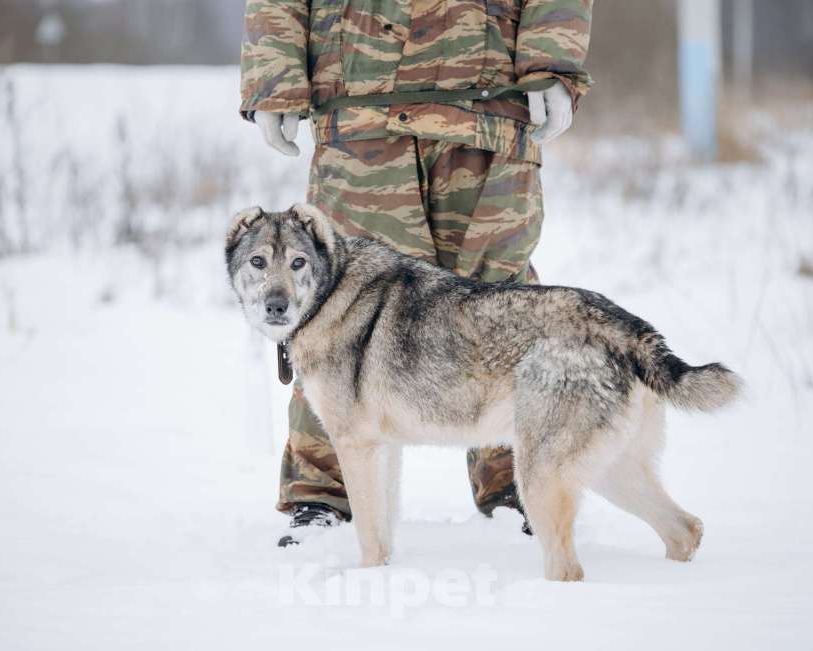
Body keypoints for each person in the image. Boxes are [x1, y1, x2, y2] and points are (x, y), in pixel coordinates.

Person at [239, 0, 593, 546]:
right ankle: (322, 495)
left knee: (502, 309)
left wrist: (554, 61)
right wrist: (274, 75)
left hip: (489, 113)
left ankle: (519, 487)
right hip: (360, 116)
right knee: (337, 315)